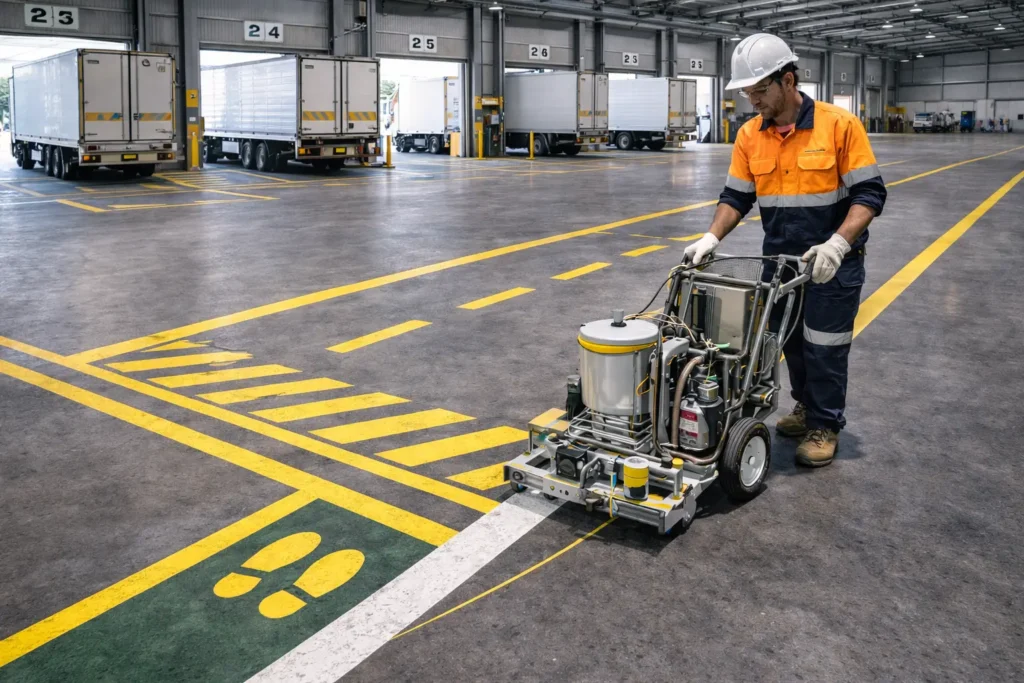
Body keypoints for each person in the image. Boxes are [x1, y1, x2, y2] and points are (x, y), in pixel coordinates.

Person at [684, 33, 887, 468]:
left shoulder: (839, 125)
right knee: (789, 342)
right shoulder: (749, 136)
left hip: (833, 263)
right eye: (746, 91)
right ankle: (805, 405)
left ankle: (825, 424)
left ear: (788, 81)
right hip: (780, 264)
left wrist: (837, 243)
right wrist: (710, 238)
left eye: (759, 90)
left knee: (825, 346)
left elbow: (869, 194)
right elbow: (736, 197)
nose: (751, 100)